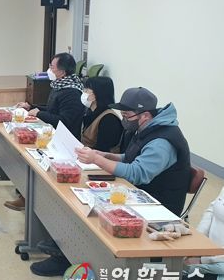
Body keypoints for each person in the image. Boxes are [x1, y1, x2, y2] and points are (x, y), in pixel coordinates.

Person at [30, 76, 123, 277]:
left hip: (100, 175)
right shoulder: (91, 112)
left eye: (87, 90)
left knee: (69, 201)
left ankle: (64, 254)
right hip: (85, 165)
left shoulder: (109, 119)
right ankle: (59, 242)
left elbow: (103, 153)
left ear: (95, 94)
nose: (84, 94)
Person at [76, 87, 191, 216]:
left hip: (159, 207)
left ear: (145, 115)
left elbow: (136, 173)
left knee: (93, 211)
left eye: (127, 116)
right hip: (140, 192)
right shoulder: (147, 127)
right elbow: (131, 157)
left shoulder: (161, 142)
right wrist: (105, 155)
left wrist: (96, 159)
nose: (124, 119)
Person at [6, 52, 85, 211]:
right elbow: (51, 110)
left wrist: (39, 114)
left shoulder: (71, 92)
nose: (49, 69)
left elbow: (65, 121)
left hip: (64, 142)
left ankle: (29, 198)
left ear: (62, 71)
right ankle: (25, 191)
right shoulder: (59, 85)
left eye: (52, 67)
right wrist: (31, 107)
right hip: (51, 134)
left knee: (34, 160)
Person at [181, 187, 224, 280]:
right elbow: (212, 209)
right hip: (208, 258)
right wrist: (197, 244)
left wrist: (203, 260)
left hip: (219, 271)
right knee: (163, 271)